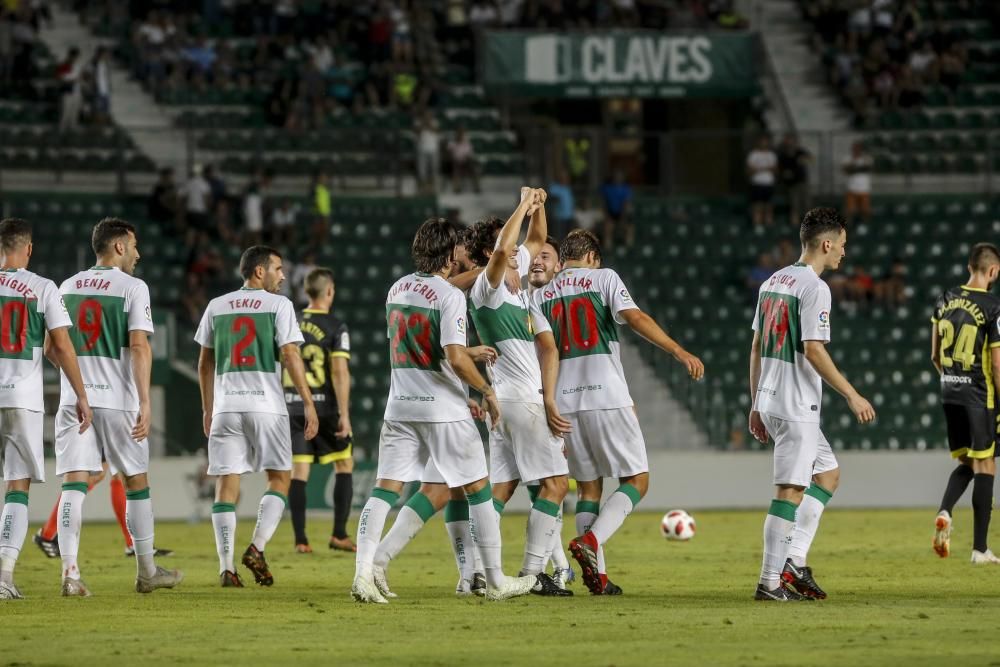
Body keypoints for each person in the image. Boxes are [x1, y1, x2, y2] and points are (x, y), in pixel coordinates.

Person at [351, 217, 539, 604]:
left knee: (385, 491)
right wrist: (485, 389)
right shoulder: (448, 296)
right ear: (450, 252)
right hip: (442, 410)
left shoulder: (397, 288)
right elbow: (453, 357)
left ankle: (363, 575)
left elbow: (427, 348)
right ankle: (495, 580)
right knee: (478, 491)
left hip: (400, 405)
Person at [533, 229, 704, 595]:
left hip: (564, 403)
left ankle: (600, 578)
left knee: (589, 488)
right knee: (637, 481)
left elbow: (544, 351)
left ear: (562, 260)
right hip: (605, 395)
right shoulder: (603, 277)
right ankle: (591, 542)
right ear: (593, 256)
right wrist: (678, 351)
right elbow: (635, 317)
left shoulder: (540, 294)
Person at [748, 207, 876, 602]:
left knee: (828, 475)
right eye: (841, 246)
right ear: (826, 243)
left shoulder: (773, 280)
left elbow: (755, 346)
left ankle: (794, 561)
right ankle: (770, 582)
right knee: (789, 490)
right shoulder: (815, 287)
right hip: (794, 403)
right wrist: (852, 394)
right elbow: (813, 350)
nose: (843, 254)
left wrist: (755, 403)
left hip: (771, 397)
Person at [54, 218, 183, 596]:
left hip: (73, 400)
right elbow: (140, 346)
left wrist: (76, 381)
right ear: (119, 247)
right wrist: (145, 401)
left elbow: (52, 348)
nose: (139, 253)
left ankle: (70, 575)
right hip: (118, 401)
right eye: (135, 245)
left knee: (73, 484)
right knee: (136, 483)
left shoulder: (67, 286)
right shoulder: (132, 287)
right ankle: (146, 572)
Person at [464, 189, 572, 596]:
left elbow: (536, 238)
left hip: (504, 403)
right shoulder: (486, 289)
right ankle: (534, 574)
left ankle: (478, 570)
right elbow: (504, 249)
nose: (517, 251)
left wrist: (538, 204)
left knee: (501, 490)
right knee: (556, 485)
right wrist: (522, 205)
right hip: (521, 400)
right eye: (503, 245)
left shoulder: (517, 284)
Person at [195, 246, 318, 587]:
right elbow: (291, 354)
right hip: (266, 406)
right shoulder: (279, 305)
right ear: (259, 272)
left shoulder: (216, 306)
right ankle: (257, 548)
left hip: (226, 407)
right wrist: (307, 402)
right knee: (280, 478)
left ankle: (226, 568)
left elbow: (204, 363)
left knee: (226, 485)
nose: (282, 275)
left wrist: (208, 408)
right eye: (278, 268)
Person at [0, 219, 92, 600]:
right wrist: (81, 394)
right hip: (21, 398)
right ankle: (3, 575)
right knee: (16, 487)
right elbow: (63, 346)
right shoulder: (42, 287)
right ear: (29, 249)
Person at [929, 243, 1000, 564]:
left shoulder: (944, 299)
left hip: (949, 391)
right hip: (978, 394)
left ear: (970, 266)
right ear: (993, 271)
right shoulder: (993, 307)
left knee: (967, 463)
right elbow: (997, 365)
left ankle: (944, 510)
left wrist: (951, 380)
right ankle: (980, 549)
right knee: (986, 464)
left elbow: (934, 354)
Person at [283, 268, 356, 553]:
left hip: (292, 405)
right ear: (329, 291)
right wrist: (345, 414)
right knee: (344, 463)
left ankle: (301, 540)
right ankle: (339, 534)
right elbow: (339, 371)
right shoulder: (336, 325)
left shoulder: (291, 321)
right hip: (325, 407)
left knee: (298, 471)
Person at [777, 135, 812, 226]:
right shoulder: (783, 155)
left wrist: (804, 160)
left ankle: (808, 226)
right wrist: (785, 173)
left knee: (807, 204)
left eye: (792, 142)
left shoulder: (800, 152)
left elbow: (810, 159)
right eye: (788, 142)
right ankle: (794, 226)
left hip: (802, 181)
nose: (790, 144)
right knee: (794, 206)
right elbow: (780, 170)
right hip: (791, 184)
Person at [747, 136, 777, 227]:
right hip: (757, 183)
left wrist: (759, 168)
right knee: (757, 204)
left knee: (768, 205)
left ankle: (768, 222)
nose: (764, 143)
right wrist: (766, 168)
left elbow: (775, 169)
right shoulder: (753, 155)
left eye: (765, 141)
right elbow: (750, 170)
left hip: (768, 183)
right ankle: (757, 223)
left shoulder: (771, 155)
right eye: (762, 141)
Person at [600, 171, 634, 248]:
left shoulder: (626, 188)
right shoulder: (607, 187)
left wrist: (623, 217)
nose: (617, 178)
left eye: (619, 176)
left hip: (622, 212)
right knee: (607, 227)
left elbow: (626, 203)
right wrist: (607, 215)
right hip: (610, 212)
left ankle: (628, 246)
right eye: (616, 176)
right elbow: (604, 202)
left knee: (630, 227)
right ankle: (608, 246)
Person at [842, 141, 873, 226]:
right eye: (855, 148)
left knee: (865, 210)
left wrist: (854, 169)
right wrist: (856, 167)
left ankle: (866, 226)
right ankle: (849, 227)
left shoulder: (866, 158)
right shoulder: (847, 158)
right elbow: (847, 170)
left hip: (864, 188)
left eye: (858, 148)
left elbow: (867, 168)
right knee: (850, 210)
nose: (857, 150)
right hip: (851, 188)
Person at [447, 127, 479, 193]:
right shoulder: (452, 143)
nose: (460, 135)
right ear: (456, 134)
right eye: (458, 133)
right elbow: (449, 154)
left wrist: (465, 159)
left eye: (461, 133)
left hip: (465, 162)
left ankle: (476, 187)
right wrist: (455, 159)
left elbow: (469, 154)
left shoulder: (467, 143)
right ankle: (457, 188)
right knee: (455, 167)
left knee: (473, 167)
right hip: (455, 162)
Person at [547, 171, 575, 241]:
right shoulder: (554, 187)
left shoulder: (568, 188)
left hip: (569, 216)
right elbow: (550, 198)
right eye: (563, 177)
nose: (565, 179)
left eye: (566, 177)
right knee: (559, 237)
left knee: (568, 237)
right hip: (559, 217)